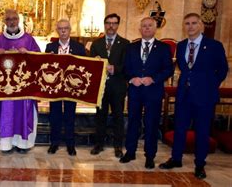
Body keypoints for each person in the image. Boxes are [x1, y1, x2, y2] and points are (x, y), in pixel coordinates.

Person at [159, 13, 228, 179]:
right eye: (187, 24)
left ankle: (200, 164)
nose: (190, 26)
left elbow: (223, 70)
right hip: (184, 95)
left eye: (194, 23)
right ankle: (176, 159)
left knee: (202, 131)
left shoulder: (214, 45)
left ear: (201, 25)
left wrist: (209, 86)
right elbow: (184, 69)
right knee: (179, 128)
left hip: (205, 97)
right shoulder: (181, 45)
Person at [120, 17, 174, 169]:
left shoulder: (163, 48)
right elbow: (125, 68)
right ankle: (130, 152)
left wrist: (154, 79)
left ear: (155, 28)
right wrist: (131, 78)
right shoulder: (131, 47)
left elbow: (168, 69)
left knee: (151, 123)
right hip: (135, 91)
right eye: (144, 26)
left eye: (150, 26)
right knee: (132, 122)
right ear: (140, 29)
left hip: (153, 91)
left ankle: (150, 156)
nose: (147, 28)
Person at [0, 9, 40, 153]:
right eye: (8, 19)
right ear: (4, 22)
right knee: (6, 113)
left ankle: (23, 144)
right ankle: (6, 144)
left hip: (24, 87)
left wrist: (28, 53)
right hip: (5, 88)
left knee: (23, 113)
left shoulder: (28, 39)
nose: (11, 21)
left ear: (19, 20)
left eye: (14, 19)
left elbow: (39, 59)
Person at [90, 13, 129, 158]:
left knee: (118, 116)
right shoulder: (96, 44)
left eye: (114, 23)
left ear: (118, 25)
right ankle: (98, 144)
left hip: (118, 86)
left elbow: (127, 65)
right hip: (100, 87)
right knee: (100, 116)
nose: (111, 26)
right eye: (108, 23)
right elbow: (91, 64)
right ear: (104, 24)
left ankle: (118, 146)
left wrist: (115, 69)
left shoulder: (125, 44)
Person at [45, 19, 86, 156]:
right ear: (57, 31)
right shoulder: (50, 47)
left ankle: (70, 144)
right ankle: (54, 143)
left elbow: (84, 67)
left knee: (70, 116)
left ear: (70, 30)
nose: (63, 31)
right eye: (60, 28)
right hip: (55, 87)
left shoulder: (79, 47)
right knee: (54, 115)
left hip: (71, 88)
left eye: (66, 28)